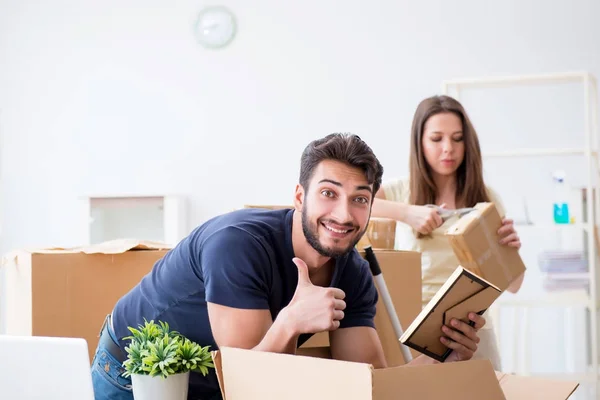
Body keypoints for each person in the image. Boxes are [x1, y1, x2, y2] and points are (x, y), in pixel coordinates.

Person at [91, 133, 488, 400]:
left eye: (359, 199)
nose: (343, 214)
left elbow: (368, 385)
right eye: (329, 194)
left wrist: (441, 359)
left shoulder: (351, 271)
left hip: (213, 385)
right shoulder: (238, 245)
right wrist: (291, 321)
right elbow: (246, 382)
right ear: (300, 195)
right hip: (134, 377)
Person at [371, 95, 525, 371]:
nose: (448, 149)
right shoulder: (399, 192)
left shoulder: (487, 200)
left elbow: (514, 286)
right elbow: (356, 206)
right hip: (415, 333)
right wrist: (407, 213)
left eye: (457, 138)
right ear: (419, 142)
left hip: (472, 332)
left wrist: (510, 252)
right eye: (436, 139)